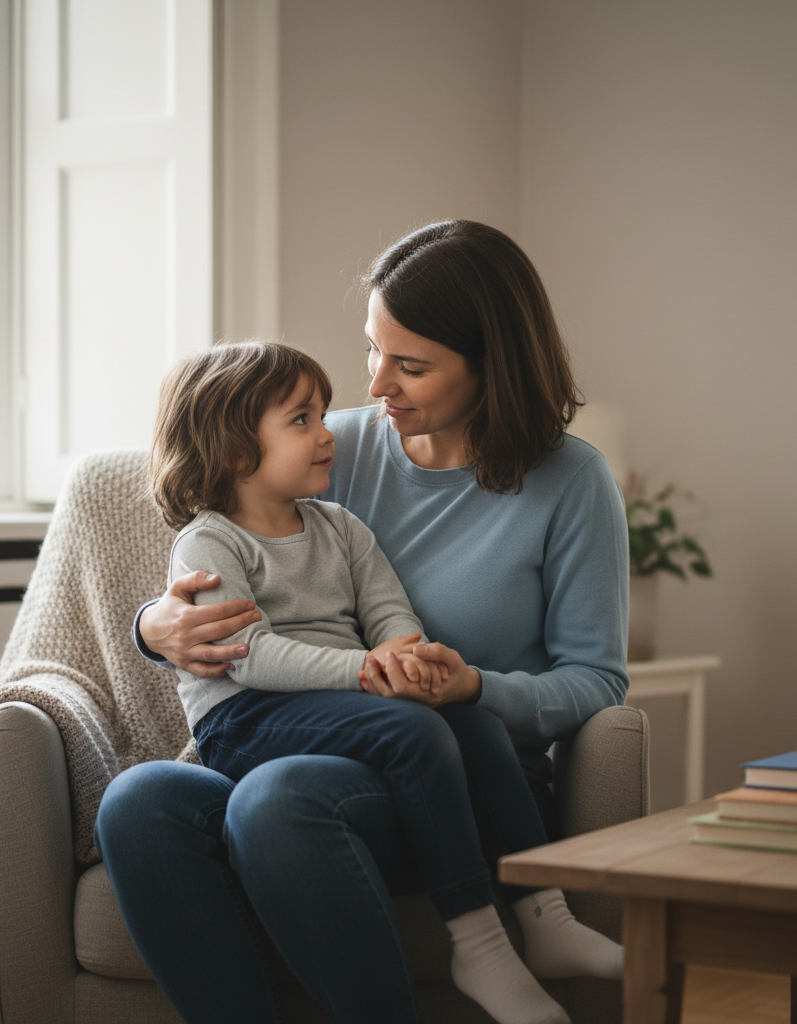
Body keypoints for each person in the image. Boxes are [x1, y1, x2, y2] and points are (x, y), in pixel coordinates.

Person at [95, 220, 630, 1024]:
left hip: (464, 770)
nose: (376, 386)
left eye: (410, 365)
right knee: (137, 801)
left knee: (279, 798)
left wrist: (473, 685)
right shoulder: (331, 446)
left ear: (494, 366)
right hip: (313, 728)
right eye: (373, 350)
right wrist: (154, 629)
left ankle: (498, 936)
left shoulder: (572, 483)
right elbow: (217, 556)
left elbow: (597, 680)